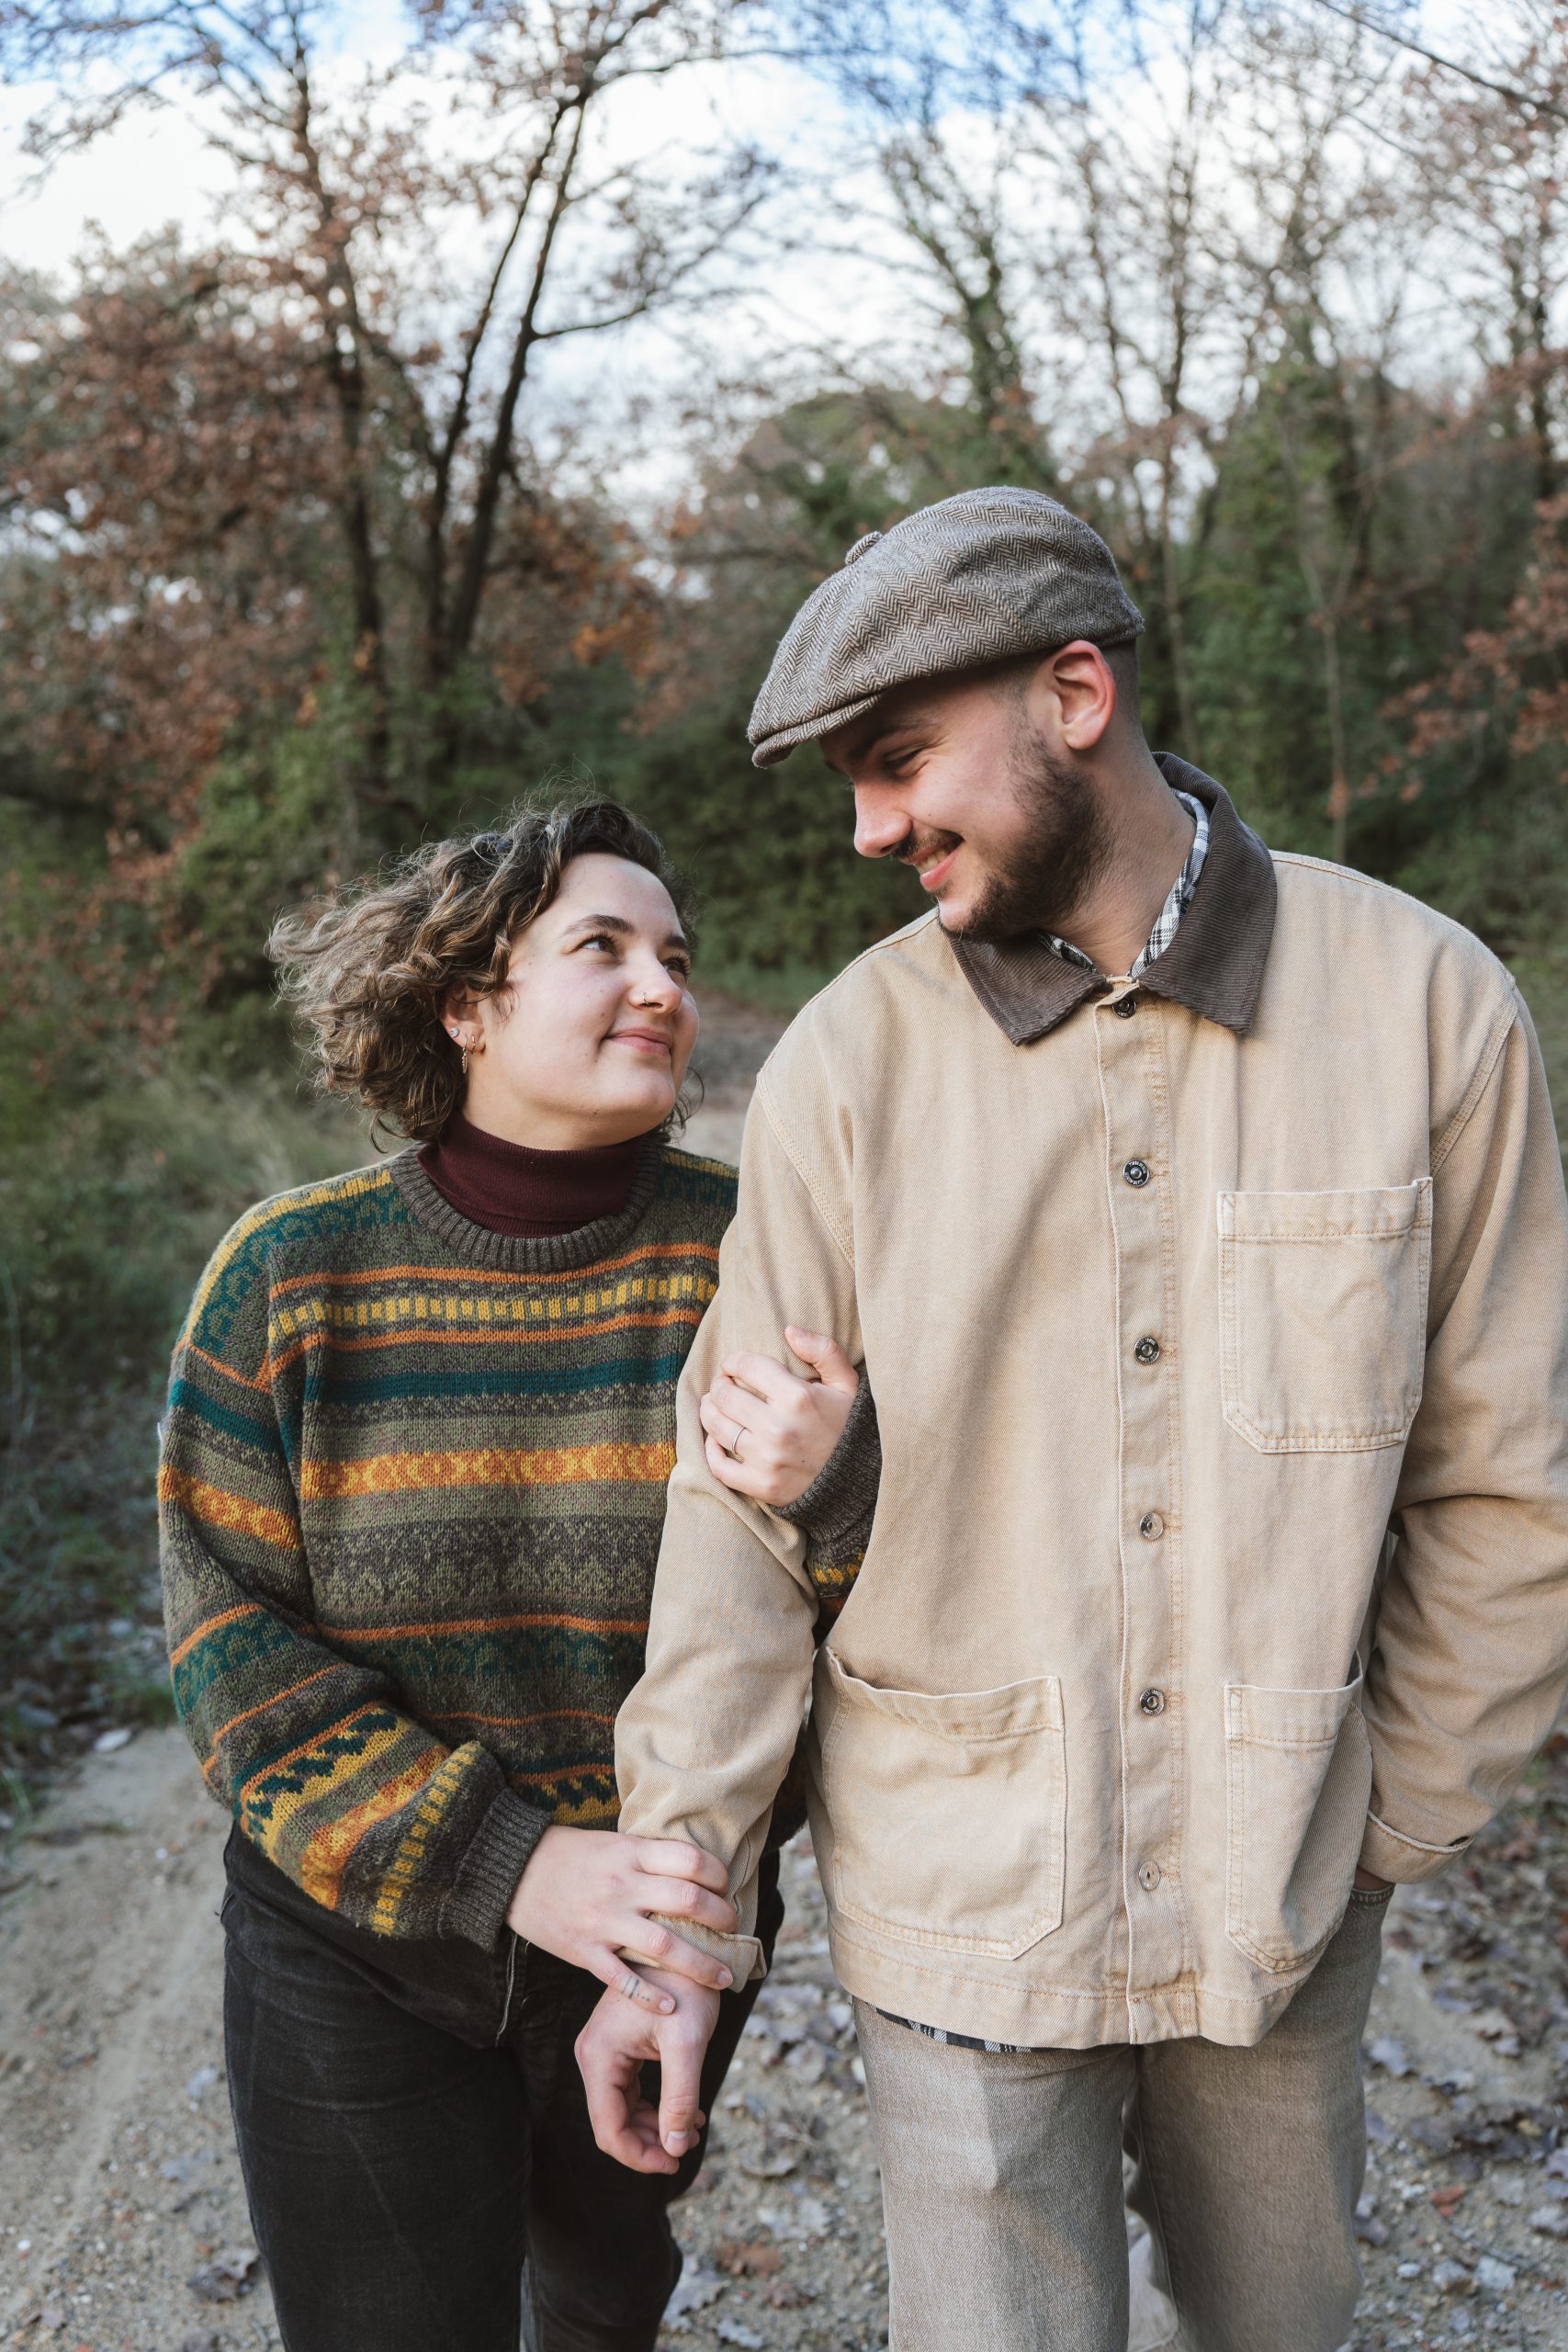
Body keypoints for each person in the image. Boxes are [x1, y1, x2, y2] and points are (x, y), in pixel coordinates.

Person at [576, 488, 1568, 2351]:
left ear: (1076, 693)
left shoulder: (1429, 1010)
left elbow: (1506, 1475)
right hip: (956, 1895)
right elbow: (732, 1528)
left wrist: (1392, 1818)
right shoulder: (840, 1074)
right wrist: (679, 1920)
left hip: (1283, 1890)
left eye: (895, 761)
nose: (869, 829)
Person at [156, 798, 874, 2352]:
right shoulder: (293, 1276)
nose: (665, 986)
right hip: (354, 1947)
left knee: (605, 2304)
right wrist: (515, 1868)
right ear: (468, 1004)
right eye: (601, 947)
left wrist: (849, 1488)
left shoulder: (753, 1259)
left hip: (659, 1934)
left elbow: (874, 1614)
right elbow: (230, 1652)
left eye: (677, 955)